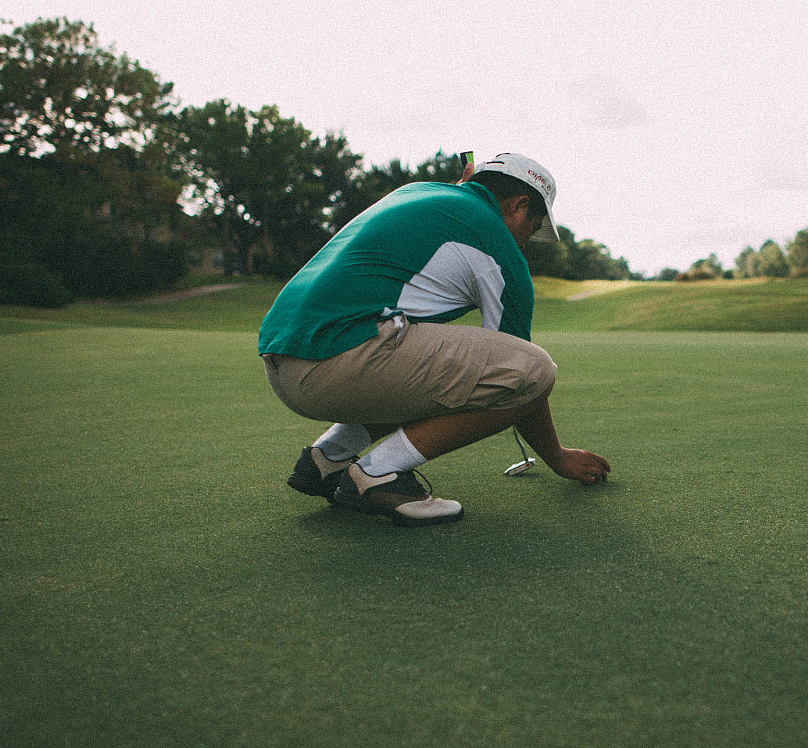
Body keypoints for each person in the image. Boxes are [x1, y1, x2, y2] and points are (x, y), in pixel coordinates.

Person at [258, 153, 611, 527]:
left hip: (283, 361)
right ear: (519, 206)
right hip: (339, 360)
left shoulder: (418, 194)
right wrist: (556, 456)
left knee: (445, 370)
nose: (527, 242)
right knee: (535, 368)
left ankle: (328, 458)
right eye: (534, 226)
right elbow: (523, 382)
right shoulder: (496, 242)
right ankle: (379, 473)